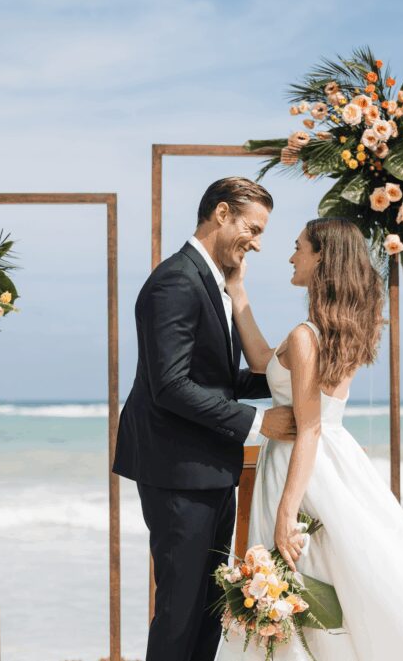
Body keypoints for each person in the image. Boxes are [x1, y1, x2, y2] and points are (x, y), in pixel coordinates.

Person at [215, 217, 403, 660]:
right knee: (340, 584)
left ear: (321, 256)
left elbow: (310, 426)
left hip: (302, 467)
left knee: (310, 583)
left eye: (298, 246)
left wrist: (285, 510)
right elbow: (264, 362)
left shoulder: (306, 337)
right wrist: (238, 292)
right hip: (333, 464)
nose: (290, 255)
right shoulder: (340, 332)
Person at [113, 177, 298, 661]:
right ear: (221, 213)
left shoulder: (213, 281)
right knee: (178, 609)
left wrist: (289, 380)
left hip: (210, 469)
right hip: (177, 471)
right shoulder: (175, 280)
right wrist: (260, 423)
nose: (256, 243)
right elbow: (170, 385)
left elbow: (214, 377)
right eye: (253, 229)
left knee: (210, 605)